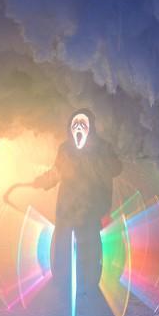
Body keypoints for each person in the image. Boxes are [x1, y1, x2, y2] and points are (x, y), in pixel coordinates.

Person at [31, 109, 122, 302]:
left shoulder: (103, 148)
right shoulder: (65, 149)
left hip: (91, 208)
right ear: (70, 128)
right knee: (63, 244)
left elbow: (115, 168)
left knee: (89, 246)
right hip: (67, 208)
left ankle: (88, 283)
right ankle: (63, 281)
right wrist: (42, 181)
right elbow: (57, 171)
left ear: (91, 127)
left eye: (83, 123)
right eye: (75, 124)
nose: (79, 127)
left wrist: (92, 161)